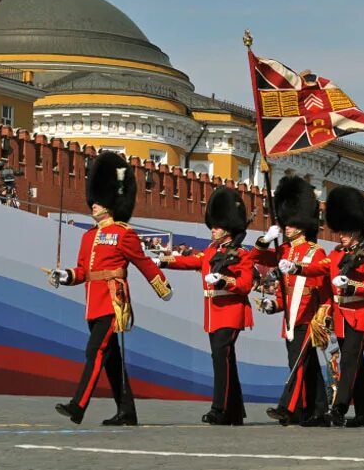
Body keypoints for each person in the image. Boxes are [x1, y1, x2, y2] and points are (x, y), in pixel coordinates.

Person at [47, 152, 173, 425]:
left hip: (113, 303)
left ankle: (78, 406)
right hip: (94, 304)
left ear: (111, 201)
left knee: (95, 352)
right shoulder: (88, 236)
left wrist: (162, 287)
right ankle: (127, 412)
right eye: (93, 199)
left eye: (99, 200)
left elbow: (142, 263)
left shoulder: (123, 233)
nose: (93, 204)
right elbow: (83, 271)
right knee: (112, 361)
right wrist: (65, 275)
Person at [159, 186, 253, 425]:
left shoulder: (242, 253)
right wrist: (163, 261)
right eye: (213, 226)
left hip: (231, 312)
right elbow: (192, 260)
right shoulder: (211, 251)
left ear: (228, 228)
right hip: (213, 313)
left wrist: (223, 280)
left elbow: (245, 285)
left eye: (217, 226)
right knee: (225, 360)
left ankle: (218, 408)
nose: (213, 230)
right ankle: (234, 412)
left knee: (221, 358)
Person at [252, 176, 333, 427]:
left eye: (291, 223)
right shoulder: (283, 251)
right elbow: (257, 258)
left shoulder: (314, 251)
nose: (286, 227)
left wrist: (298, 267)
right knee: (305, 367)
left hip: (308, 318)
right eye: (285, 223)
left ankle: (288, 409)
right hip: (290, 318)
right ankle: (317, 411)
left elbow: (320, 275)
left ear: (302, 224)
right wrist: (266, 239)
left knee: (297, 365)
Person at [317, 186, 364, 427]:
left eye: (346, 231)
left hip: (360, 316)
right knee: (356, 364)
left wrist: (353, 285)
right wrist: (296, 268)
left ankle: (339, 407)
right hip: (341, 317)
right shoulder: (336, 255)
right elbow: (319, 268)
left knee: (348, 362)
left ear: (356, 230)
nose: (341, 235)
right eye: (340, 230)